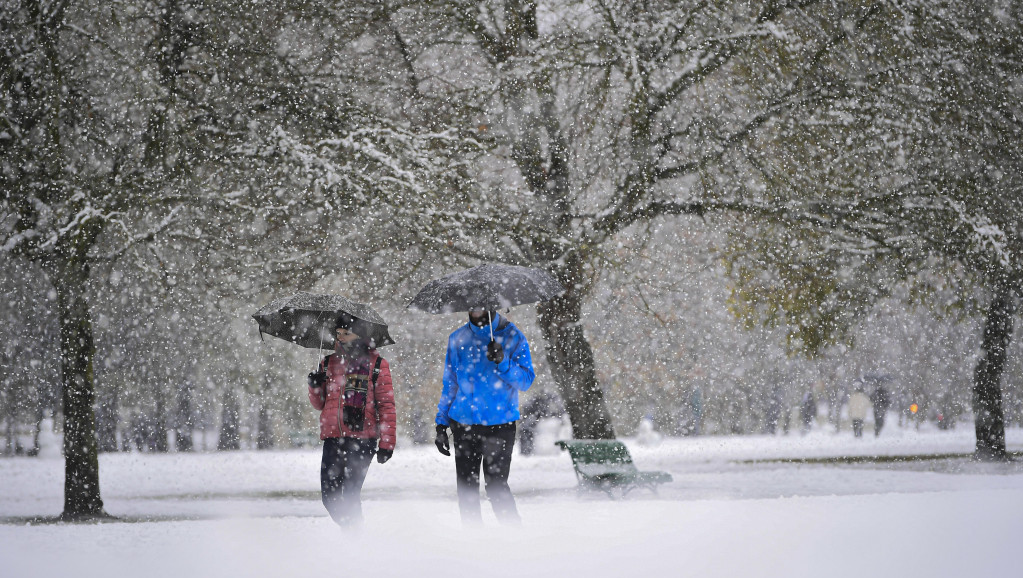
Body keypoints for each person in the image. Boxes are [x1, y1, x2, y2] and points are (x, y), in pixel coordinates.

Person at [434, 308, 535, 524]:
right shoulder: (457, 338)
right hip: (463, 424)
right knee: (466, 490)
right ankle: (474, 544)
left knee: (497, 488)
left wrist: (503, 361)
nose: (476, 307)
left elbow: (526, 380)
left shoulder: (512, 336)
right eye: (471, 302)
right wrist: (441, 424)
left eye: (481, 302)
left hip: (499, 425)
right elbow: (450, 384)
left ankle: (516, 540)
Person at [307, 312, 396, 527]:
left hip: (362, 439)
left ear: (359, 335)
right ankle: (355, 535)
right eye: (338, 333)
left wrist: (387, 443)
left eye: (346, 333)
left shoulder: (376, 364)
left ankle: (356, 546)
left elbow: (386, 405)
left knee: (350, 495)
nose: (340, 338)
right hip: (333, 438)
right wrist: (314, 386)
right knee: (329, 497)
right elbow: (319, 404)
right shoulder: (328, 363)